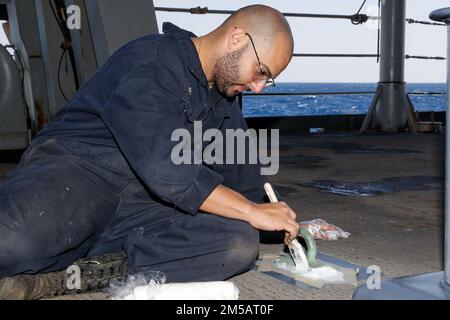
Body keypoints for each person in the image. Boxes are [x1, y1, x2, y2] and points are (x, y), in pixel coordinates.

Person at [0, 4, 298, 299]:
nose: (258, 87)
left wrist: (286, 223)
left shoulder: (224, 102)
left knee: (237, 243)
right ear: (237, 38)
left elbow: (249, 189)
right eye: (261, 72)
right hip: (80, 175)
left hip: (142, 207)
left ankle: (80, 275)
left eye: (266, 81)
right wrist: (251, 211)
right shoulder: (151, 59)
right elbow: (166, 168)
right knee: (9, 244)